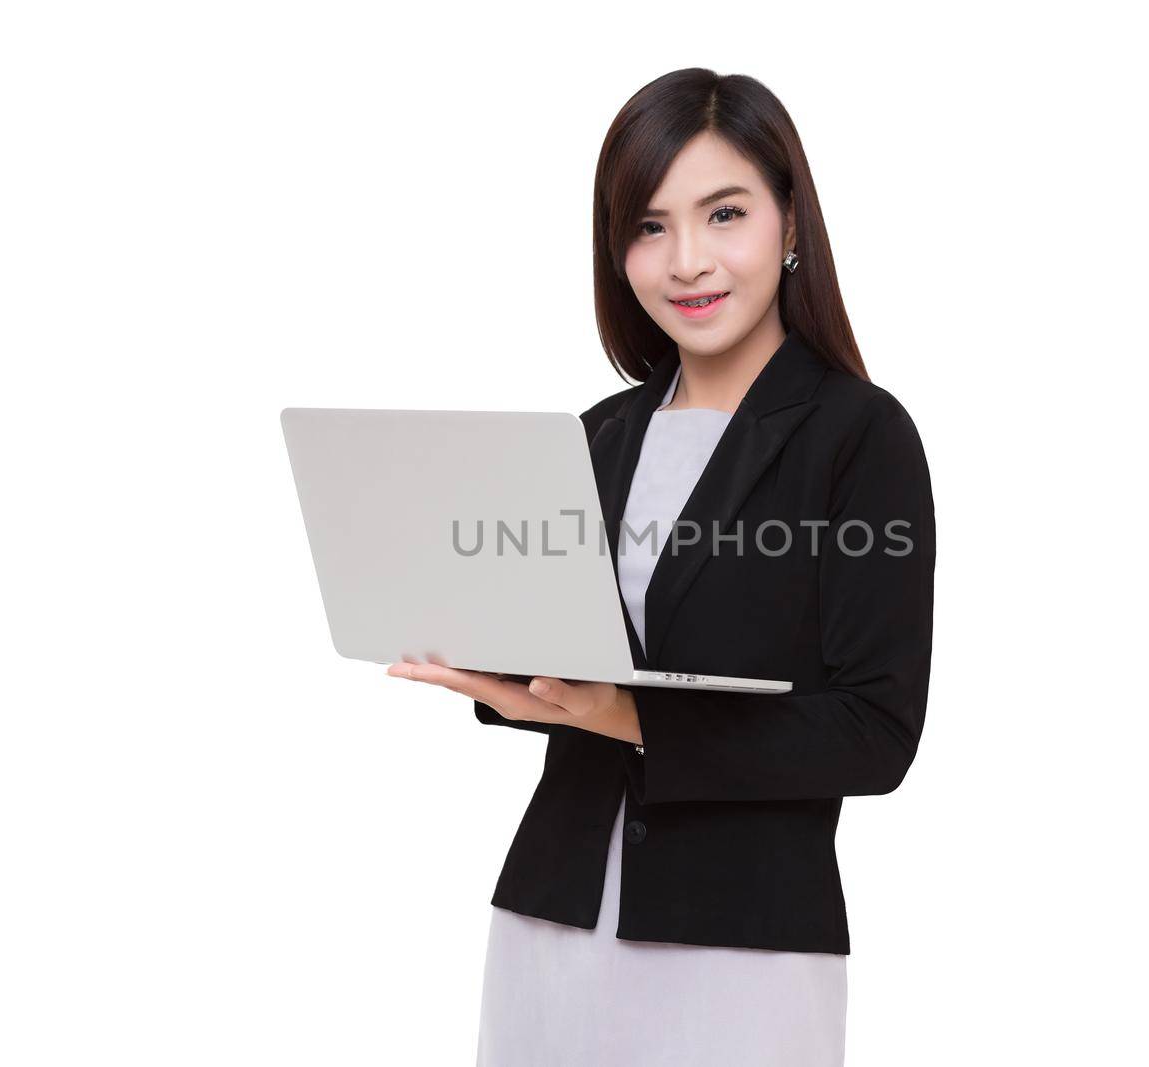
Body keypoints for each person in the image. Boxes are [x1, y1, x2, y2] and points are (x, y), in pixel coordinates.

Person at [388, 67, 936, 1066]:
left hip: (739, 945)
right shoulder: (596, 436)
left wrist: (627, 715)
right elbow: (569, 661)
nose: (686, 259)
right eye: (648, 226)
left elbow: (874, 732)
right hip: (549, 921)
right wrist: (493, 668)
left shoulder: (857, 435)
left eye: (722, 213)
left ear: (789, 222)